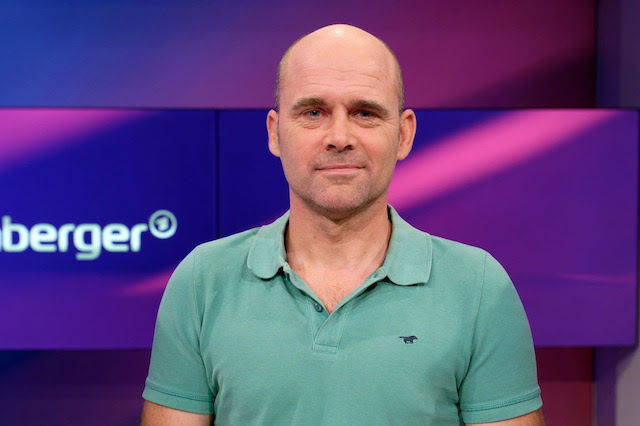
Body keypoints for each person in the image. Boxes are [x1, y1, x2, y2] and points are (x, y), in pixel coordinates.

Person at [141, 24, 544, 425]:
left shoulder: (479, 287)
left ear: (404, 134)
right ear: (275, 133)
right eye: (313, 112)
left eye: (365, 113)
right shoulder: (202, 280)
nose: (339, 137)